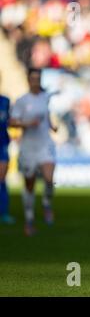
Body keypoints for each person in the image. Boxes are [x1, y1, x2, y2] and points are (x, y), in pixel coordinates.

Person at [9, 68, 57, 236]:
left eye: (38, 78)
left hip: (45, 144)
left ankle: (46, 204)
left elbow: (47, 115)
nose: (35, 81)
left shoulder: (45, 98)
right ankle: (29, 219)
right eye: (33, 78)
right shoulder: (22, 101)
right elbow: (13, 122)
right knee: (29, 184)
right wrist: (28, 124)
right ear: (28, 80)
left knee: (49, 179)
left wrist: (52, 126)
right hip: (28, 147)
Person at [0, 74, 15, 225]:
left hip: (2, 144)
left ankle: (4, 213)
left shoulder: (5, 101)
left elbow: (11, 121)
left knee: (2, 179)